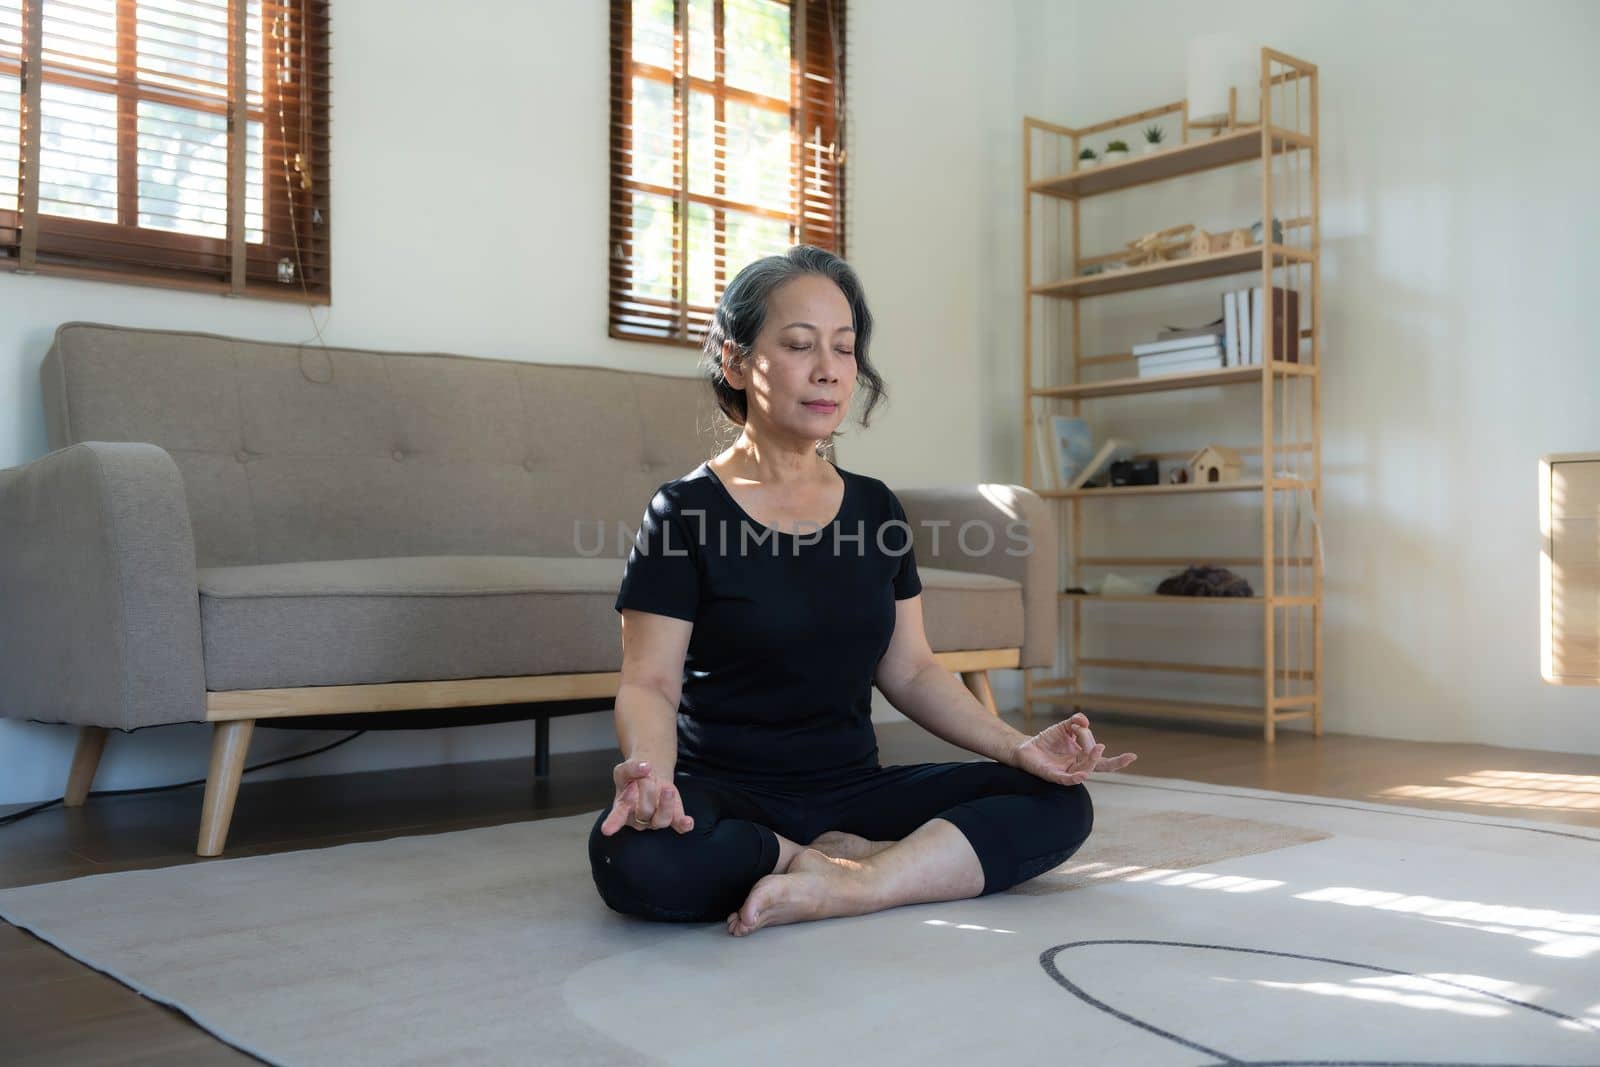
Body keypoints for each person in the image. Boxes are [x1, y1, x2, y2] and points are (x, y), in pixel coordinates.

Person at [588, 245, 1137, 938]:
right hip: (729, 793)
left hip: (854, 787)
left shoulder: (876, 510)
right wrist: (653, 775)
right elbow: (650, 682)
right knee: (630, 855)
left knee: (1057, 802)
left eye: (844, 349)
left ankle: (859, 882)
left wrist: (1016, 745)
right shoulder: (684, 512)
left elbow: (911, 668)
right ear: (734, 362)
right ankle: (826, 862)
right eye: (798, 344)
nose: (829, 370)